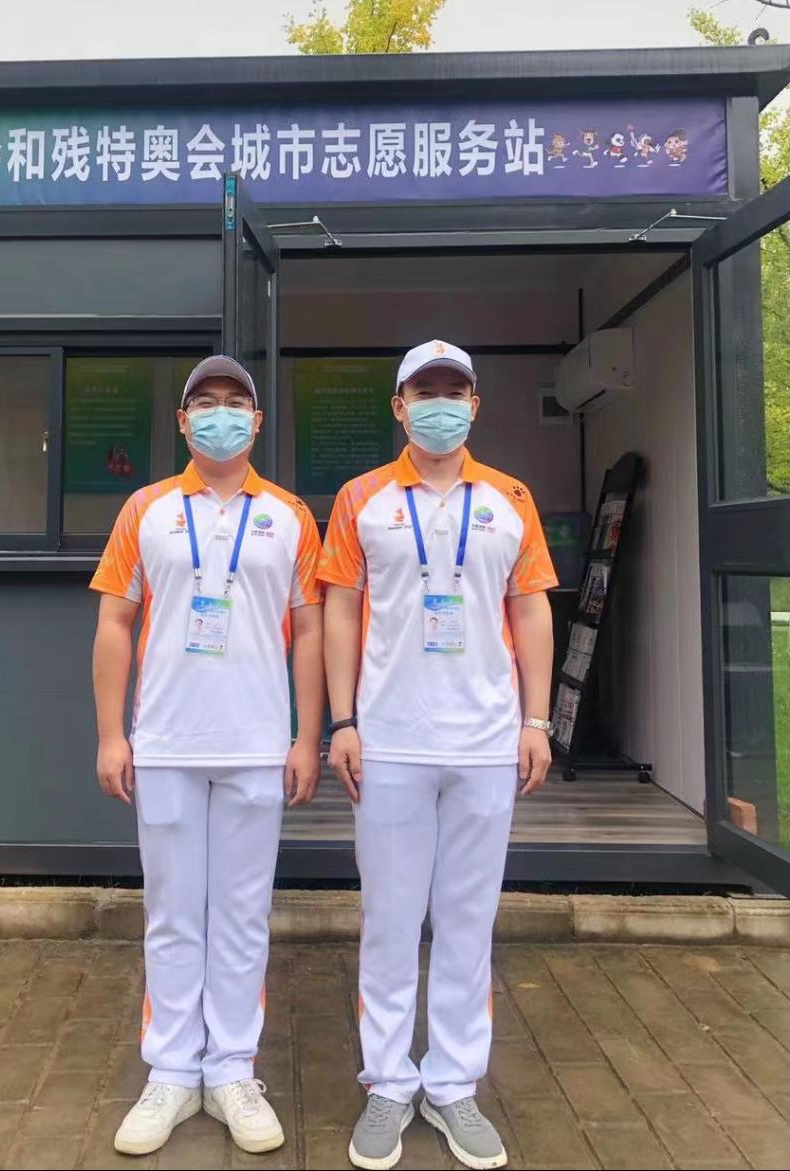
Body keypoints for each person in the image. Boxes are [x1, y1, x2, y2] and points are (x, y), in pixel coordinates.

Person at [319, 340, 557, 1171]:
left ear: (475, 404)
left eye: (455, 390)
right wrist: (342, 721)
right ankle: (388, 1081)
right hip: (389, 742)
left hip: (486, 743)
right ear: (399, 405)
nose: (441, 404)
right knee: (389, 919)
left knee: (467, 920)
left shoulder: (511, 498)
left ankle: (454, 1083)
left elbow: (531, 609)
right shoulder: (361, 499)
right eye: (425, 391)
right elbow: (340, 609)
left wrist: (537, 720)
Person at [91, 355, 324, 1157]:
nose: (219, 414)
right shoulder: (146, 509)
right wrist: (112, 734)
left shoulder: (290, 515)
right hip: (165, 744)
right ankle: (170, 1070)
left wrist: (306, 735)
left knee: (241, 915)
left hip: (257, 746)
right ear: (183, 421)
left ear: (255, 422)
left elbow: (310, 630)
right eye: (204, 403)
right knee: (171, 913)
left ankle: (231, 1069)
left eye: (234, 403)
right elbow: (115, 622)